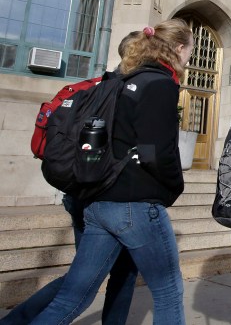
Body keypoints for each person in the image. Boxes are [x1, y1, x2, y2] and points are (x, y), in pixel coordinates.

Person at [28, 19, 194, 324]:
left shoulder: (120, 81)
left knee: (70, 299)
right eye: (189, 52)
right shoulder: (159, 83)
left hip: (100, 202)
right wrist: (174, 187)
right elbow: (154, 150)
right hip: (135, 203)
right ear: (180, 49)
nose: (189, 59)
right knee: (169, 291)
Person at [0, 32, 144, 325]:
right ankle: (16, 321)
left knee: (121, 270)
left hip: (77, 192)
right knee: (86, 279)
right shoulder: (123, 93)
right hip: (104, 197)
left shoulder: (90, 87)